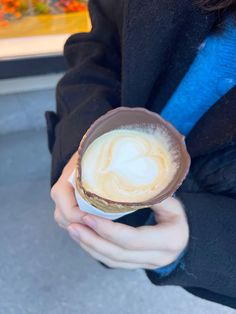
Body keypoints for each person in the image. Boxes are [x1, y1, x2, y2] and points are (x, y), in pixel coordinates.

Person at [45, 0, 236, 309]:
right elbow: (99, 46)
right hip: (97, 157)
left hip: (204, 208)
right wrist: (78, 136)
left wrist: (201, 242)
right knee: (99, 238)